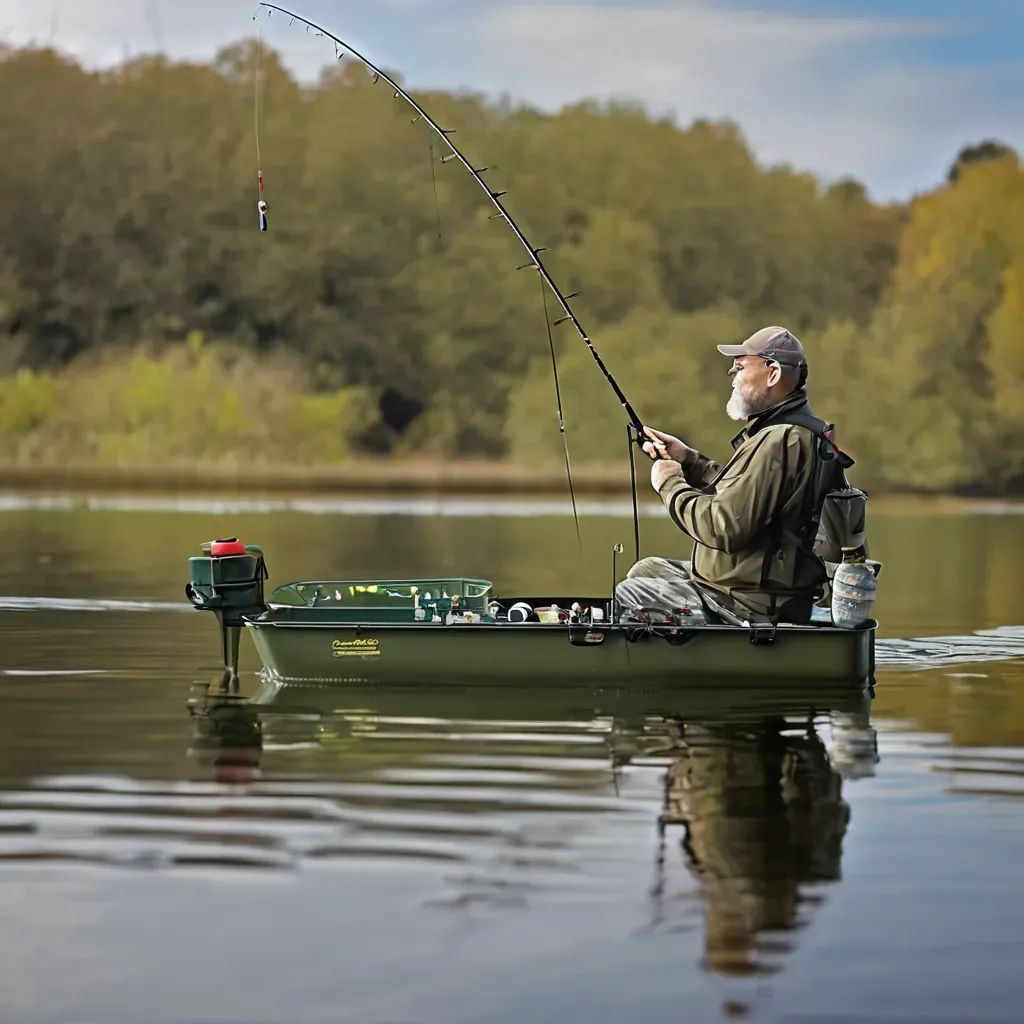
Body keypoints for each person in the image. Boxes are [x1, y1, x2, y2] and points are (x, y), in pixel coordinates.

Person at [615, 326, 852, 626]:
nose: (731, 373)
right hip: (753, 588)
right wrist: (689, 460)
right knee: (646, 570)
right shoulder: (795, 432)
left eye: (740, 367)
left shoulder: (779, 441)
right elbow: (746, 492)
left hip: (750, 603)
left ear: (773, 373)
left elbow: (722, 527)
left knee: (632, 591)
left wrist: (670, 484)